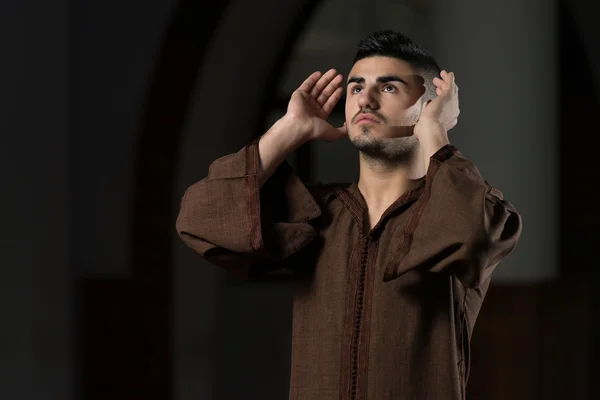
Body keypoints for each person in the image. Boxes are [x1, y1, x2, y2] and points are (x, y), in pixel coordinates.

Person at [176, 30, 522, 400]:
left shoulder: (465, 204)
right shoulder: (318, 213)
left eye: (388, 88)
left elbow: (473, 234)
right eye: (356, 88)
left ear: (430, 105)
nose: (365, 101)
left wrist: (436, 132)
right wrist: (287, 131)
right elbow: (200, 220)